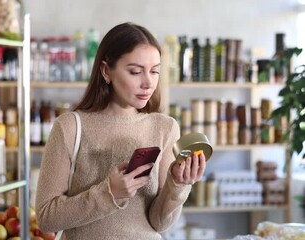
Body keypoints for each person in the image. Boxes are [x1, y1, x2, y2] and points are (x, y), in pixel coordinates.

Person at [35, 22, 207, 240]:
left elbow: (160, 223)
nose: (148, 83)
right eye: (135, 72)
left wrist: (178, 186)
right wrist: (109, 194)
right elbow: (46, 218)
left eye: (154, 71)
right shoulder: (69, 127)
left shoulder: (165, 127)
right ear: (107, 71)